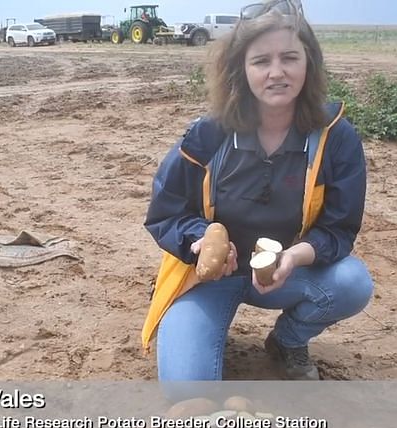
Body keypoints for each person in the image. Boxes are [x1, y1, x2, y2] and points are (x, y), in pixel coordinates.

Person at [141, 0, 373, 382]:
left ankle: (288, 339)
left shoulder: (336, 138)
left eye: (289, 58)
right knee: (186, 391)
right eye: (261, 61)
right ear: (241, 70)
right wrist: (199, 240)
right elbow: (165, 213)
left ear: (309, 64)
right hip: (209, 277)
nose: (276, 72)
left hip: (285, 275)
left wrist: (295, 257)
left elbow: (340, 228)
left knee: (352, 283)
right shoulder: (208, 134)